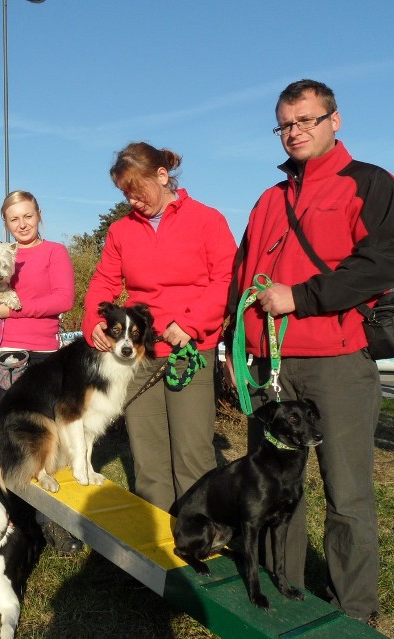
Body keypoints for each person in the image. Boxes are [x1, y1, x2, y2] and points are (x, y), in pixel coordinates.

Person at [226, 79, 394, 625]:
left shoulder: (369, 184)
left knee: (346, 492)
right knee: (275, 490)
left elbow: (382, 264)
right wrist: (228, 344)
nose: (294, 132)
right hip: (271, 369)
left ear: (335, 120)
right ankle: (285, 595)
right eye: (285, 124)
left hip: (337, 360)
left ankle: (355, 611)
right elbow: (242, 276)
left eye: (306, 120)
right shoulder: (268, 199)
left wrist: (300, 297)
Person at [83, 141, 237, 513]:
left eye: (137, 191)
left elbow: (227, 279)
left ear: (162, 176)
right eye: (125, 194)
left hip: (188, 354)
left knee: (193, 455)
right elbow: (104, 281)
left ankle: (199, 537)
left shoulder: (207, 219)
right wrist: (93, 324)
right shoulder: (121, 231)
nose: (133, 201)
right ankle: (156, 552)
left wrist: (192, 323)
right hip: (139, 358)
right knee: (148, 458)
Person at [0, 190, 75, 409]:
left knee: (44, 423)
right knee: (7, 424)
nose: (22, 224)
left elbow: (64, 300)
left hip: (42, 351)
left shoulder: (55, 252)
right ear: (6, 223)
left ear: (39, 215)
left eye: (28, 216)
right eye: (14, 219)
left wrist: (12, 310)